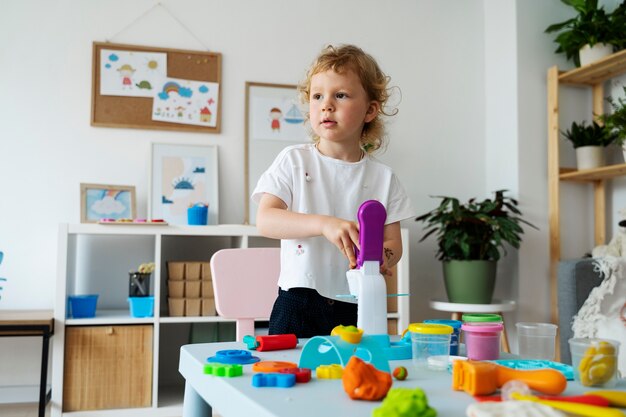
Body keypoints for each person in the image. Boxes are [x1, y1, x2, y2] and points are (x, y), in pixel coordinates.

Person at [252, 44, 414, 338]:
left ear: (370, 110)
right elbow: (265, 219)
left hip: (356, 304)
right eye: (317, 96)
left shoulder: (384, 178)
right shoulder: (294, 160)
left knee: (350, 380)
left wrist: (383, 257)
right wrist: (323, 224)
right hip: (297, 303)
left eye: (340, 95)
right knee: (289, 379)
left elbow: (393, 243)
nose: (326, 104)